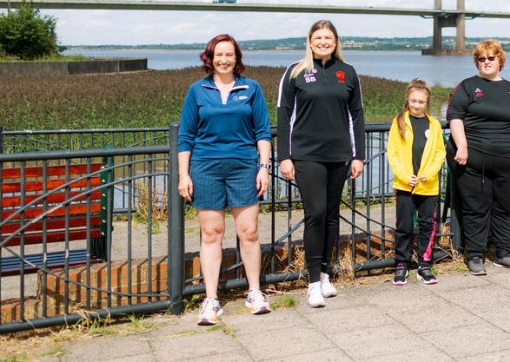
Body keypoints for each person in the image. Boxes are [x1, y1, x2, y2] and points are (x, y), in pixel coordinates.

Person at [177, 33, 273, 325]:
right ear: (210, 57)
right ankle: (211, 300)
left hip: (244, 166)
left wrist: (264, 167)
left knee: (249, 231)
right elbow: (185, 136)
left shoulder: (251, 88)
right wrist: (184, 175)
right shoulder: (197, 90)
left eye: (229, 54)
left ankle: (254, 292)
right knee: (211, 234)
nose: (224, 59)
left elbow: (263, 132)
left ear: (237, 58)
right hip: (205, 168)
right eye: (218, 54)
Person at [276, 20, 365, 308]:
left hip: (339, 155)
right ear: (310, 41)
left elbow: (357, 116)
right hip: (306, 155)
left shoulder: (348, 72)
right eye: (318, 37)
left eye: (328, 37)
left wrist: (358, 155)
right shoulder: (296, 72)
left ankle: (326, 274)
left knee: (330, 215)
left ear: (336, 41)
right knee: (315, 213)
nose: (323, 41)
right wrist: (284, 156)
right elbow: (283, 115)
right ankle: (313, 282)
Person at [446, 39, 510, 276]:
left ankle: (504, 253)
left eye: (491, 58)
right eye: (481, 58)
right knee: (476, 207)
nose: (486, 62)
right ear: (477, 62)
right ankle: (475, 255)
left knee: (504, 207)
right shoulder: (467, 86)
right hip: (475, 160)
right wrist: (462, 146)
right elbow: (455, 117)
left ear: (500, 61)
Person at [386, 79, 447, 286]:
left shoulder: (434, 124)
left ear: (427, 102)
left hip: (427, 185)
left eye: (421, 102)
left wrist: (429, 173)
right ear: (407, 100)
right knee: (403, 225)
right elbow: (392, 153)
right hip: (405, 184)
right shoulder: (399, 122)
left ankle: (424, 263)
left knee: (426, 225)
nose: (417, 105)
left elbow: (440, 152)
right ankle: (401, 263)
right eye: (413, 101)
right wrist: (404, 175)